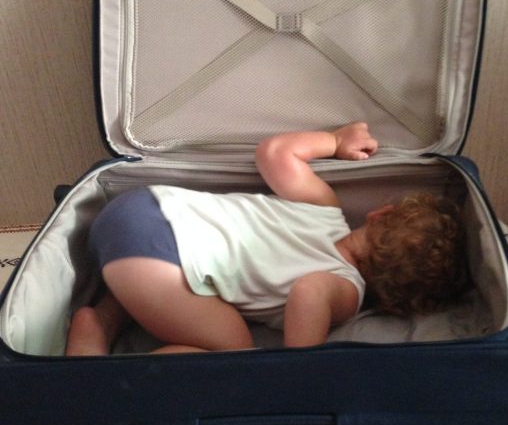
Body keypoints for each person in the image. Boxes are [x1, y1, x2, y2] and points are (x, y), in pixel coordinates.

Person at [65, 122, 468, 356]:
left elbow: (274, 152)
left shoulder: (324, 207)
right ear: (395, 302)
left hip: (142, 207)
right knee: (236, 353)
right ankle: (123, 374)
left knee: (167, 289)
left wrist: (336, 141)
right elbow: (309, 292)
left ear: (379, 214)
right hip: (158, 261)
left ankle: (102, 319)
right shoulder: (346, 290)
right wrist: (296, 371)